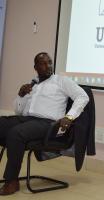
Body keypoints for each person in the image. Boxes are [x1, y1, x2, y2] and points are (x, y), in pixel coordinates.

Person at [0, 52, 89, 195]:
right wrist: (21, 96)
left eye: (50, 62)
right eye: (43, 63)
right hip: (27, 119)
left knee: (16, 134)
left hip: (47, 124)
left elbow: (82, 96)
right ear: (35, 67)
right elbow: (18, 111)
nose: (48, 66)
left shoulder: (61, 81)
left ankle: (12, 181)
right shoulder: (33, 84)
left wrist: (69, 117)